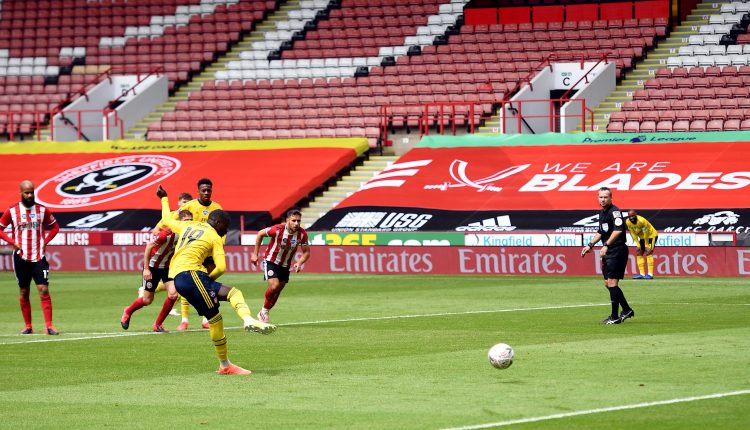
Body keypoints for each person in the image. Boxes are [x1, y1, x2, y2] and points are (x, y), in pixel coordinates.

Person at [156, 185, 275, 375]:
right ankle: (245, 324)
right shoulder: (214, 237)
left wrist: (163, 198)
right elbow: (221, 267)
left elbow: (167, 219)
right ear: (218, 222)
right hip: (191, 274)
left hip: (180, 276)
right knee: (226, 303)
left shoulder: (188, 225)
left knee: (220, 311)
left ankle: (227, 363)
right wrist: (206, 283)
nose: (225, 230)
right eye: (225, 227)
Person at [0, 180, 60, 335]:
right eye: (26, 193)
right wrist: (12, 242)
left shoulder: (42, 210)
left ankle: (49, 326)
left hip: (39, 256)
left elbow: (55, 227)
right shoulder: (12, 211)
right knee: (24, 292)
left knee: (44, 290)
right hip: (21, 257)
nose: (29, 195)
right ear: (21, 193)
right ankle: (28, 326)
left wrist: (45, 241)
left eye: (31, 192)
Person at [120, 209, 193, 332]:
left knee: (174, 294)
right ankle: (128, 311)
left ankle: (158, 324)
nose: (188, 223)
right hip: (152, 267)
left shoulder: (189, 235)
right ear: (179, 221)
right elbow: (149, 246)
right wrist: (146, 269)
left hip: (167, 268)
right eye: (186, 220)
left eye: (191, 220)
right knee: (147, 300)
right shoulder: (167, 233)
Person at [173, 179, 223, 331]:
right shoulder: (189, 205)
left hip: (209, 249)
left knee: (208, 284)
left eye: (209, 190)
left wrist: (219, 246)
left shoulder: (217, 208)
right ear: (198, 191)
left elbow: (222, 229)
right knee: (187, 284)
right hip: (193, 251)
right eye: (204, 190)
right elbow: (174, 219)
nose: (206, 193)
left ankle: (206, 319)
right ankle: (184, 320)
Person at [581, 187, 635, 325]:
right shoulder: (602, 213)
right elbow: (601, 231)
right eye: (601, 197)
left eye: (606, 197)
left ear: (611, 198)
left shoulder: (615, 212)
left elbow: (618, 230)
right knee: (607, 283)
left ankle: (614, 316)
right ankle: (627, 310)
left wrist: (606, 245)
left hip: (617, 250)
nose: (603, 199)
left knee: (612, 283)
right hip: (610, 251)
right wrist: (590, 245)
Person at [251, 208, 311, 323]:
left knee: (277, 291)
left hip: (285, 265)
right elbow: (260, 234)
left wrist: (299, 263)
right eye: (294, 220)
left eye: (298, 221)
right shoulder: (278, 229)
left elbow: (307, 252)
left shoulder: (302, 234)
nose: (296, 223)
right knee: (274, 286)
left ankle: (264, 311)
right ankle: (264, 311)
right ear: (287, 220)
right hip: (271, 261)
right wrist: (255, 254)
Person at [626, 210, 658, 280]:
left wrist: (646, 244)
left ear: (636, 214)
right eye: (630, 216)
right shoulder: (628, 222)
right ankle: (642, 274)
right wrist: (638, 244)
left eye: (633, 216)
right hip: (642, 237)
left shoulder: (642, 221)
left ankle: (650, 274)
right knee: (639, 252)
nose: (631, 218)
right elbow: (633, 233)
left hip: (651, 236)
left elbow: (646, 233)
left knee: (648, 251)